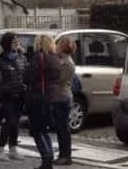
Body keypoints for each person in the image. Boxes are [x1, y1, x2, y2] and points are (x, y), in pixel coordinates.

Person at [23, 34, 61, 169]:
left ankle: (46, 158)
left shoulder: (39, 58)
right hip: (53, 97)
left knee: (37, 131)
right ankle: (48, 158)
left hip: (38, 97)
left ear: (39, 44)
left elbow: (27, 77)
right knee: (44, 130)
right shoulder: (55, 58)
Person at [0, 32, 27, 162]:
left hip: (20, 94)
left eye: (17, 41)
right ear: (7, 43)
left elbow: (25, 73)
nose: (17, 43)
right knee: (10, 121)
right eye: (13, 41)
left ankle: (13, 148)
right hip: (6, 94)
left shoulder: (21, 57)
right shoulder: (0, 59)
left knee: (16, 122)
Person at [52, 37, 77, 166]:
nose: (56, 47)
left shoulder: (67, 63)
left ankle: (65, 155)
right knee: (60, 127)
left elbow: (58, 79)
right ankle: (63, 154)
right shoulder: (63, 60)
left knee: (63, 128)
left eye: (58, 45)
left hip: (63, 97)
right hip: (60, 96)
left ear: (63, 47)